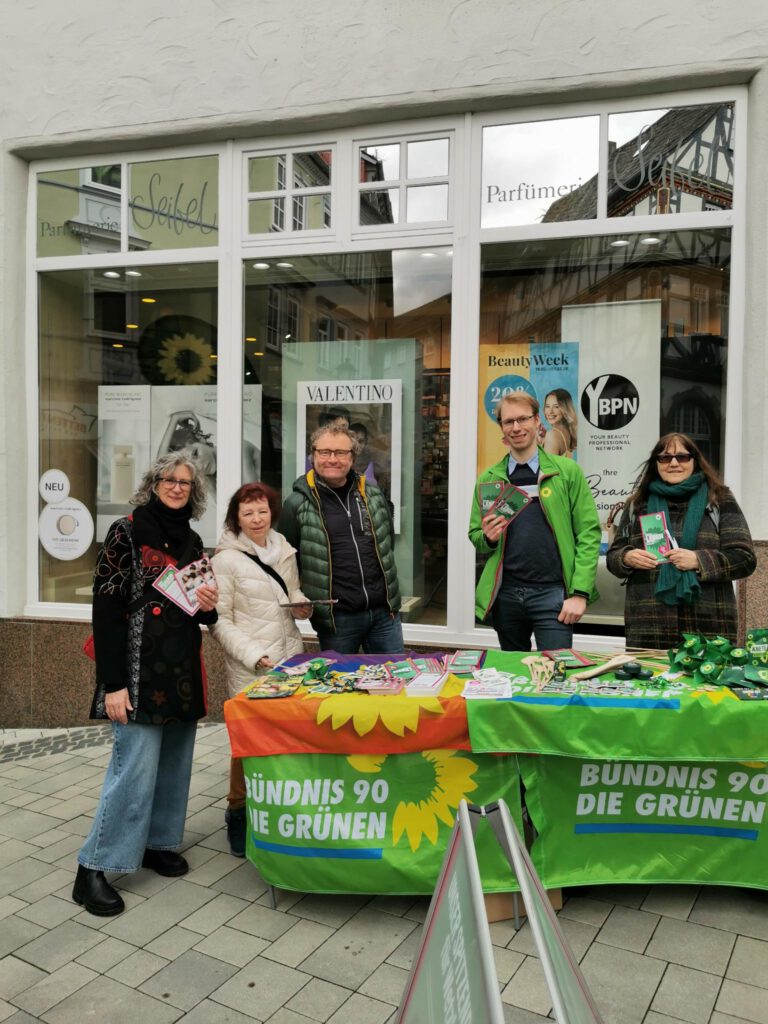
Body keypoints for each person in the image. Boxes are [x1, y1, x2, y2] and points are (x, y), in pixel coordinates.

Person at [73, 452, 218, 916]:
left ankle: (156, 843)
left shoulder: (193, 539)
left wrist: (211, 603)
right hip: (135, 671)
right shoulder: (126, 530)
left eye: (185, 483)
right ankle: (93, 868)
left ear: (193, 492)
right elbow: (107, 609)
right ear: (153, 484)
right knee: (132, 768)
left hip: (179, 670)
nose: (177, 487)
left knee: (174, 765)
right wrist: (112, 684)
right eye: (168, 480)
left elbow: (202, 611)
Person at [210, 483, 311, 856]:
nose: (257, 518)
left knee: (284, 740)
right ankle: (237, 811)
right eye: (248, 512)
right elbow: (219, 621)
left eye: (263, 510)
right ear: (236, 517)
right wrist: (255, 656)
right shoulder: (226, 560)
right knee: (248, 745)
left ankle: (276, 809)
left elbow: (291, 593)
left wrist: (302, 606)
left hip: (289, 657)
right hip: (252, 666)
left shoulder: (283, 547)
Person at [469, 393, 601, 651]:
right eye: (508, 422)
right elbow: (476, 536)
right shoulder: (489, 479)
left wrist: (579, 594)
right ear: (502, 428)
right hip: (506, 595)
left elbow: (589, 533)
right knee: (514, 675)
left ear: (536, 420)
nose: (516, 427)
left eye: (522, 419)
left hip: (553, 595)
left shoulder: (566, 471)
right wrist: (488, 538)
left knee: (555, 676)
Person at [606, 432, 756, 649]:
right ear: (656, 463)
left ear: (694, 461)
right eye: (665, 457)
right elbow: (613, 557)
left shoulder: (719, 499)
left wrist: (699, 560)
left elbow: (744, 558)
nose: (673, 463)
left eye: (682, 457)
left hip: (708, 628)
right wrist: (626, 557)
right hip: (649, 628)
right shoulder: (637, 504)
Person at [279, 421, 403, 653]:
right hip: (338, 620)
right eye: (324, 452)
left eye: (340, 452)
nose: (332, 459)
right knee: (339, 685)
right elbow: (287, 561)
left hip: (384, 616)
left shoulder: (374, 495)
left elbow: (386, 545)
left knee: (394, 683)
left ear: (352, 458)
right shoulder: (297, 503)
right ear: (313, 455)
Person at [542, 388, 577, 458]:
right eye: (547, 406)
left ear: (565, 409)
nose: (550, 411)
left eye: (556, 407)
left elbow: (548, 468)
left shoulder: (552, 435)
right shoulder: (566, 432)